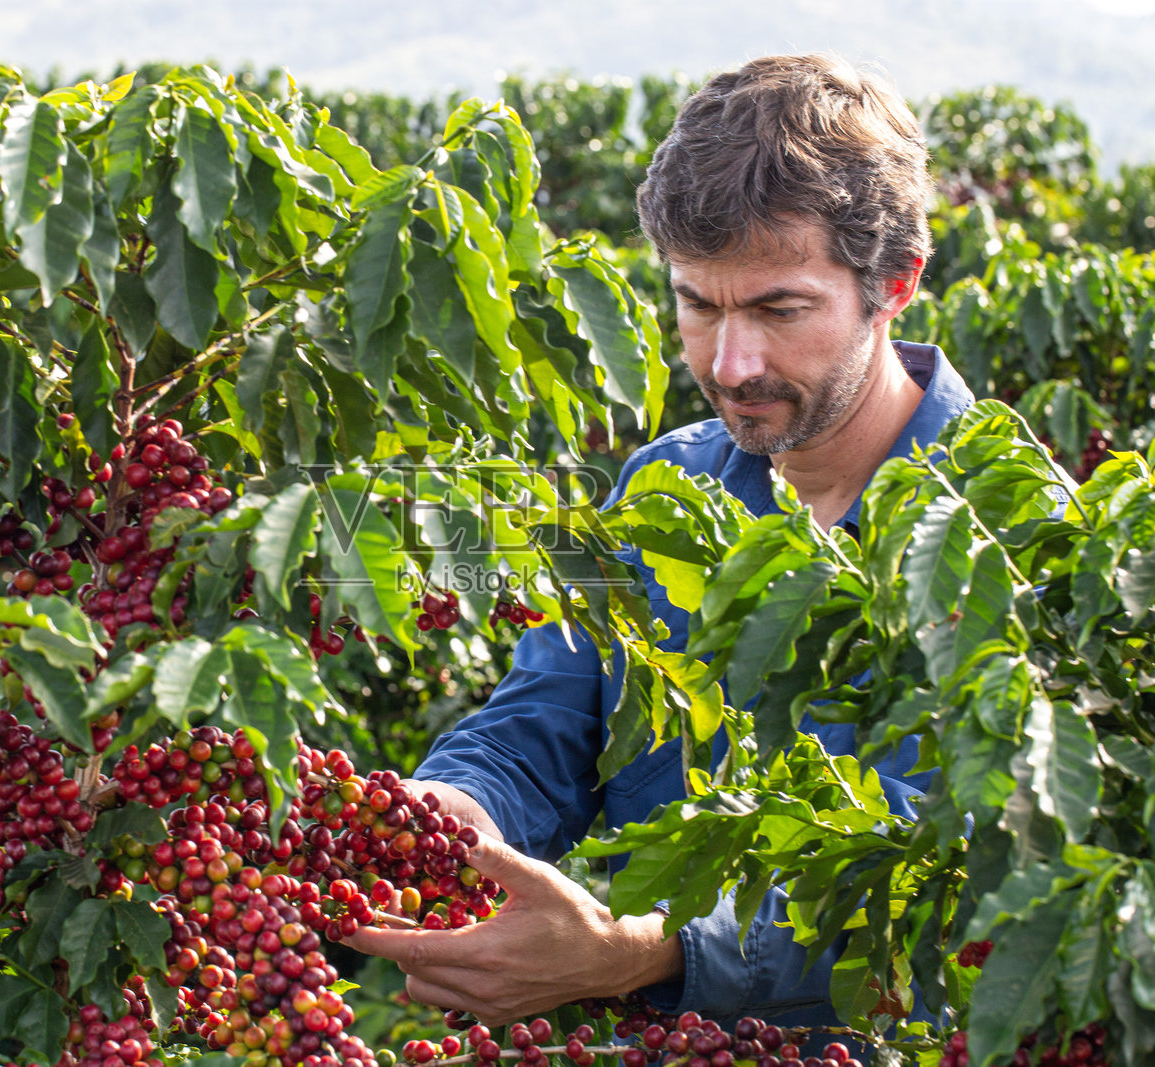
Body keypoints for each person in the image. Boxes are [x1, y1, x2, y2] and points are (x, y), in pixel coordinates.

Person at [345, 53, 973, 1035]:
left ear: (893, 284)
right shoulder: (655, 485)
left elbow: (937, 874)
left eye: (778, 309)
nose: (730, 363)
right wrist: (448, 811)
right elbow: (546, 712)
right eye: (697, 303)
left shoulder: (1014, 541)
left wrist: (644, 948)